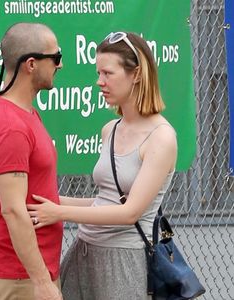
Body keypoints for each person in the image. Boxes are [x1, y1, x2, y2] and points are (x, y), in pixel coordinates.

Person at [27, 31, 177, 300]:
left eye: (108, 73)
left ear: (137, 74)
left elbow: (129, 212)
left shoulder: (162, 137)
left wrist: (59, 212)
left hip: (124, 262)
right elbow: (104, 201)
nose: (99, 82)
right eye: (98, 73)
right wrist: (53, 201)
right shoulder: (110, 129)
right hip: (84, 252)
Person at [0, 22, 63, 300]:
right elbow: (13, 210)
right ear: (31, 64)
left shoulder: (22, 113)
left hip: (30, 274)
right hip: (21, 278)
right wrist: (41, 282)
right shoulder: (10, 126)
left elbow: (35, 196)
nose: (59, 66)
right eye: (56, 57)